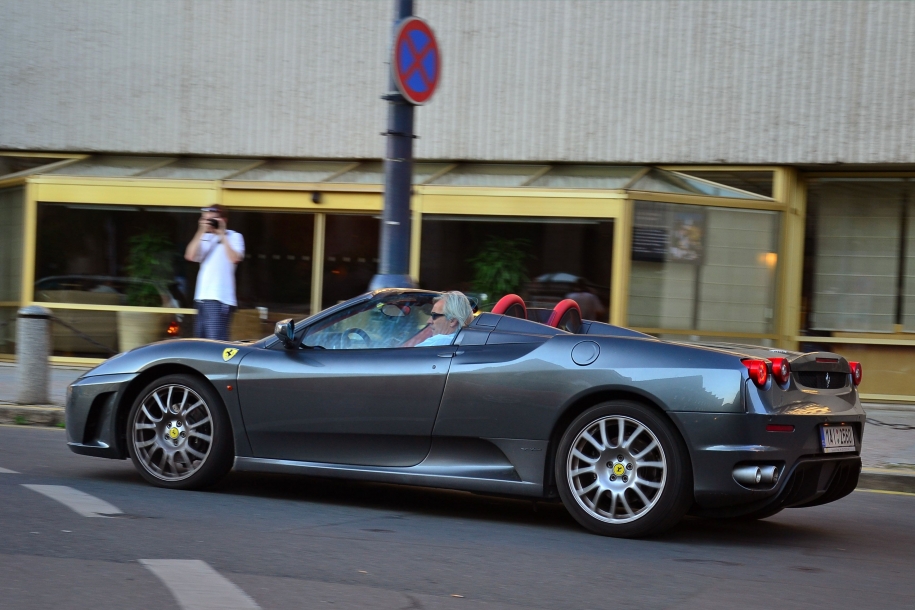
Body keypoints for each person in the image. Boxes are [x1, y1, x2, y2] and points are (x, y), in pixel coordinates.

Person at [184, 204, 245, 340]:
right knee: (201, 342)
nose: (210, 222)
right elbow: (190, 256)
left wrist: (222, 234)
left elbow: (234, 258)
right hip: (202, 297)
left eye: (213, 219)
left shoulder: (234, 236)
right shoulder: (205, 238)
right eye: (206, 219)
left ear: (223, 220)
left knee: (216, 343)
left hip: (219, 298)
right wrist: (201, 231)